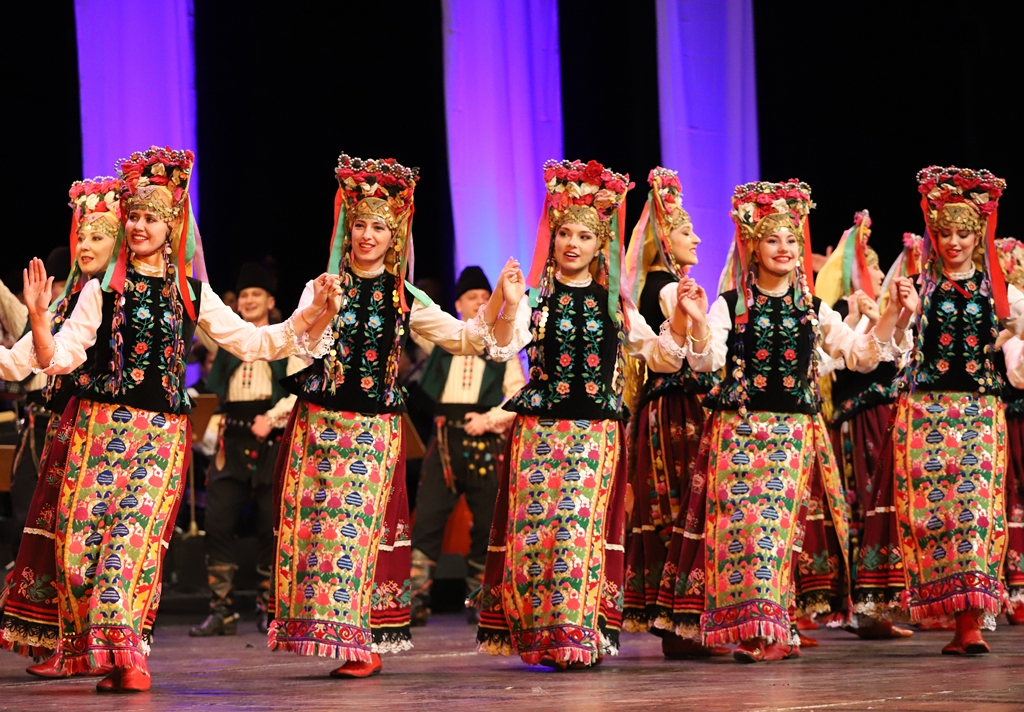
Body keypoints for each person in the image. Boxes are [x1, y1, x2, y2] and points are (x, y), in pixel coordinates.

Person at [22, 146, 339, 692]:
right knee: (80, 550)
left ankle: (130, 659)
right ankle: (105, 653)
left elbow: (253, 343)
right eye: (135, 216)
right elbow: (63, 358)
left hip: (161, 435)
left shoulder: (192, 293)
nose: (140, 226)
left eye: (152, 217)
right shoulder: (101, 289)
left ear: (173, 225)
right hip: (99, 432)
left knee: (131, 543)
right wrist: (38, 322)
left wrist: (309, 315)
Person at [268, 153, 505, 679]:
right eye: (360, 225)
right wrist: (321, 312)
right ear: (347, 231)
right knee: (322, 533)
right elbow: (300, 348)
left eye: (379, 226)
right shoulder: (322, 286)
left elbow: (465, 338)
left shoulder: (405, 296)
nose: (368, 235)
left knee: (361, 530)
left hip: (374, 427)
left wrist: (499, 305)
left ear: (395, 234)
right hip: (320, 423)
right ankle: (334, 633)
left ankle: (364, 641)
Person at [658, 179, 911, 663]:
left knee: (774, 533)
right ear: (753, 247)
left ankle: (770, 633)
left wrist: (892, 315)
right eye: (772, 239)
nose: (784, 248)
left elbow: (860, 355)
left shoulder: (813, 311)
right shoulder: (730, 304)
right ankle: (757, 628)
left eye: (791, 239)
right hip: (737, 433)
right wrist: (695, 319)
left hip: (791, 435)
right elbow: (707, 360)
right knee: (740, 534)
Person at [475, 158, 690, 670]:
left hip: (594, 434)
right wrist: (508, 303)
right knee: (535, 535)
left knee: (577, 532)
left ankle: (576, 634)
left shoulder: (615, 305)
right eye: (565, 233)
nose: (573, 243)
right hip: (538, 433)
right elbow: (501, 348)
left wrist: (685, 318)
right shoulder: (535, 300)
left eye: (585, 236)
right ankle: (538, 633)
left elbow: (662, 357)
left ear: (600, 245)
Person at [853, 166, 1024, 655]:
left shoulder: (1000, 291)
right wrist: (900, 311)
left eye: (963, 234)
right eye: (944, 233)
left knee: (975, 513)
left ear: (978, 235)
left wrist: (1008, 332)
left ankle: (969, 622)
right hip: (925, 411)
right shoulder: (915, 285)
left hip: (979, 413)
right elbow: (880, 351)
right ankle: (946, 610)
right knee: (934, 516)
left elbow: (1014, 334)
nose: (953, 242)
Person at [0, 178, 120, 674]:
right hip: (65, 430)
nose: (85, 245)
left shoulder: (124, 296)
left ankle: (100, 644)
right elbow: (18, 362)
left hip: (115, 434)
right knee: (55, 537)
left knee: (97, 542)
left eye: (98, 235)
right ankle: (62, 645)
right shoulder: (68, 302)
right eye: (81, 236)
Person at [619, 167, 725, 658]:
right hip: (677, 409)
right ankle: (681, 623)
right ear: (664, 240)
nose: (696, 238)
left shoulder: (664, 286)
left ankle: (677, 623)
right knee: (682, 507)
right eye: (686, 232)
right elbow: (688, 354)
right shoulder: (668, 289)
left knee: (674, 508)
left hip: (667, 407)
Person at [815, 219, 921, 640]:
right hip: (860, 423)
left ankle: (883, 603)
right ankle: (864, 608)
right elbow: (851, 359)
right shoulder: (843, 317)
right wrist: (867, 317)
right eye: (873, 268)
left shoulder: (879, 314)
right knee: (863, 507)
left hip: (880, 419)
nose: (880, 274)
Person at [189, 263, 306, 637]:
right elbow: (199, 313)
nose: (249, 300)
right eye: (243, 295)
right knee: (217, 522)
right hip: (232, 441)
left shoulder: (286, 341)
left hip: (271, 441)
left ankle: (268, 607)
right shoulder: (227, 341)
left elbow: (301, 391)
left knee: (270, 525)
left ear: (270, 301)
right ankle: (221, 609)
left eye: (257, 294)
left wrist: (271, 418)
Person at [408, 266, 526, 626]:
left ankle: (481, 600)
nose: (479, 302)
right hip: (444, 439)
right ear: (458, 304)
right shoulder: (443, 339)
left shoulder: (503, 347)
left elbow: (518, 396)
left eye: (484, 297)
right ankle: (414, 600)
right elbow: (413, 323)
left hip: (485, 441)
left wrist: (488, 420)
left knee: (487, 522)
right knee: (427, 519)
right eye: (471, 297)